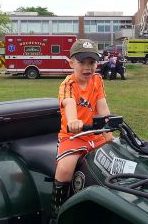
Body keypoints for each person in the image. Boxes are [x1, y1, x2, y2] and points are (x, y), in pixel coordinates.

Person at [50, 39, 113, 222]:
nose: (87, 67)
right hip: (74, 135)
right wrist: (73, 121)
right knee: (65, 168)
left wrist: (109, 134)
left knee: (117, 154)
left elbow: (103, 108)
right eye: (82, 62)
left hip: (94, 134)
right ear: (71, 63)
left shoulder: (97, 80)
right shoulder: (68, 85)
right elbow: (69, 104)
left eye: (91, 62)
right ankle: (57, 211)